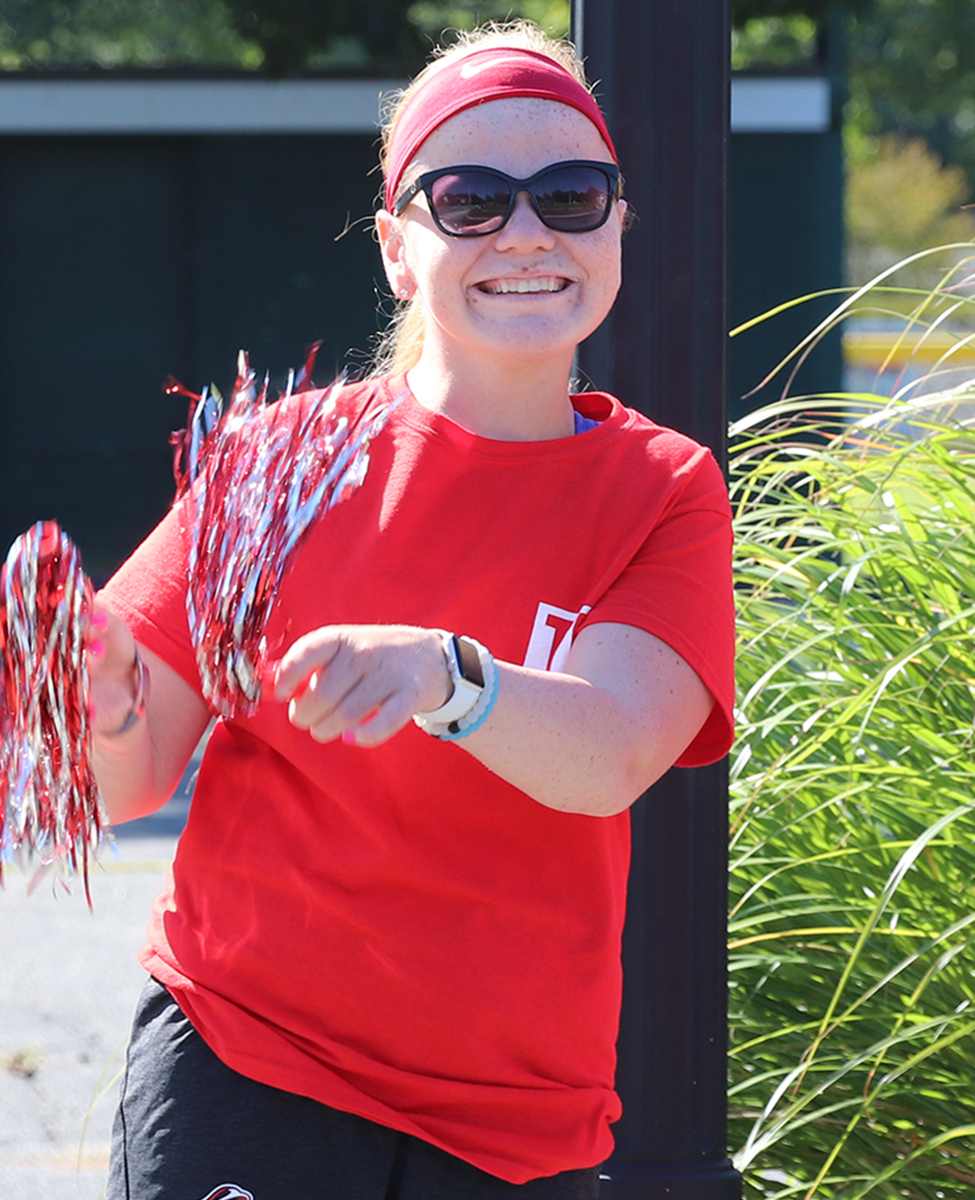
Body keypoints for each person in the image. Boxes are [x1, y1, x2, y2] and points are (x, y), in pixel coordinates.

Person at [90, 20, 735, 1200]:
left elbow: (607, 752)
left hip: (511, 1128)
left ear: (617, 228)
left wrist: (451, 675)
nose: (529, 234)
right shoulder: (275, 464)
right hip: (249, 1065)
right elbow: (122, 777)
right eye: (472, 199)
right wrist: (96, 699)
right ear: (398, 247)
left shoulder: (665, 489)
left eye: (573, 196)